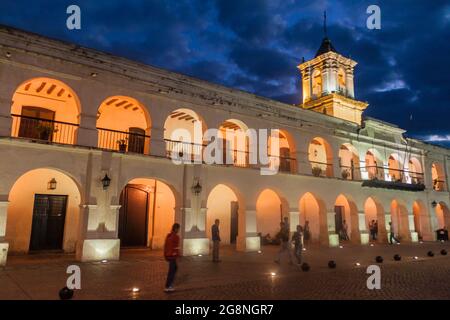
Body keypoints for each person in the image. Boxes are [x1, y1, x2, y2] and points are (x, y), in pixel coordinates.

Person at [164, 223, 181, 292]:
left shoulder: (169, 235)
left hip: (169, 255)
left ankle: (169, 285)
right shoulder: (176, 237)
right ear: (176, 229)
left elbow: (166, 245)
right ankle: (168, 286)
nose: (179, 230)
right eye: (178, 229)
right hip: (172, 256)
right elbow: (175, 247)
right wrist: (177, 254)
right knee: (172, 271)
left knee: (174, 268)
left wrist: (165, 254)